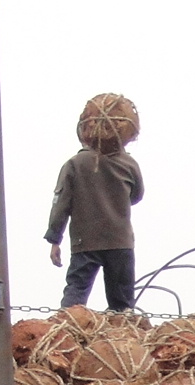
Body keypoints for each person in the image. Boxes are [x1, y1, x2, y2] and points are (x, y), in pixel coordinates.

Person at [45, 104, 145, 311]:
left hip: (85, 243)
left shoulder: (74, 164)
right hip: (120, 242)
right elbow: (136, 196)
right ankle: (123, 342)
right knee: (123, 308)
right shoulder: (129, 164)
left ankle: (66, 337)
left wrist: (55, 239)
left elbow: (61, 204)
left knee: (74, 301)